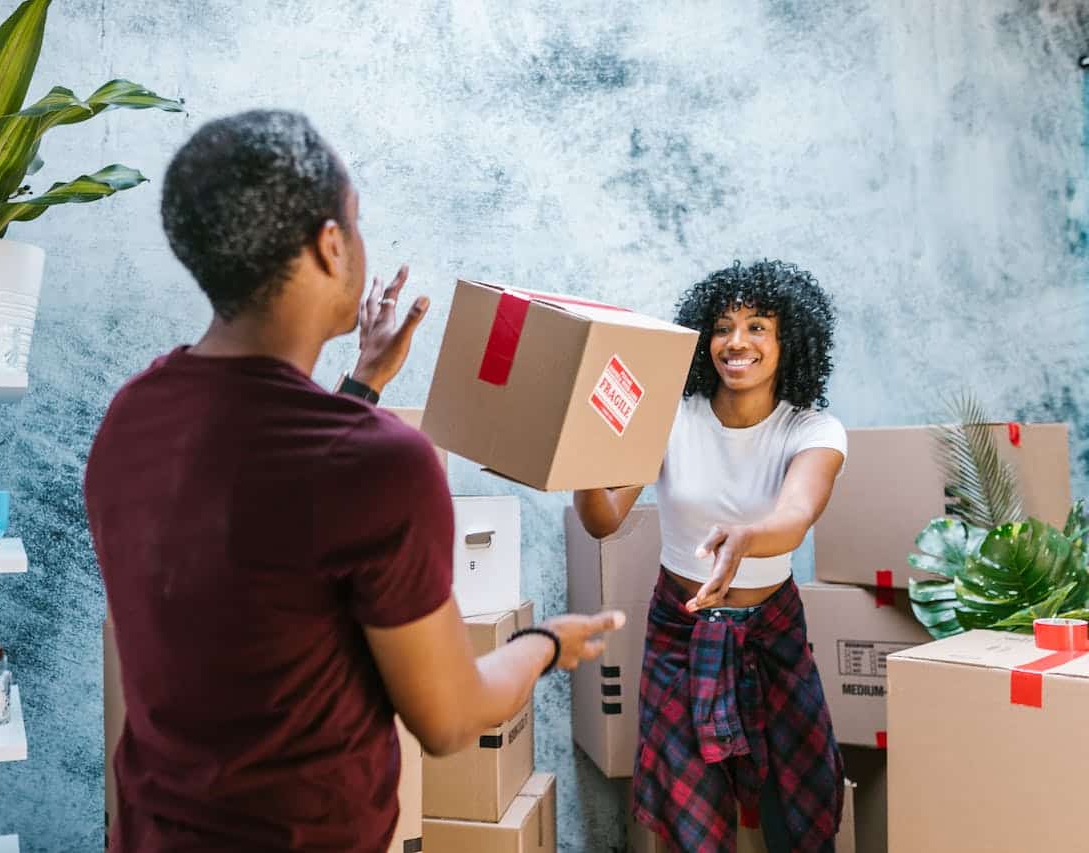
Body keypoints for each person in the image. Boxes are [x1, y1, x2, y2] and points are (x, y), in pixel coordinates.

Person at [84, 110, 625, 853]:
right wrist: (545, 642)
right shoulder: (380, 465)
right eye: (358, 223)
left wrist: (363, 382)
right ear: (330, 244)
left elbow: (263, 511)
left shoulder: (131, 416)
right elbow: (450, 717)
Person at [574, 260, 847, 853]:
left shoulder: (813, 430)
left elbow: (795, 517)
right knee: (685, 806)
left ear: (789, 340)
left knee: (803, 798)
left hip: (773, 632)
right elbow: (603, 519)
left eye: (757, 327)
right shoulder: (669, 417)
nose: (736, 342)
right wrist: (580, 455)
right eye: (723, 327)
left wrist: (746, 537)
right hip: (681, 630)